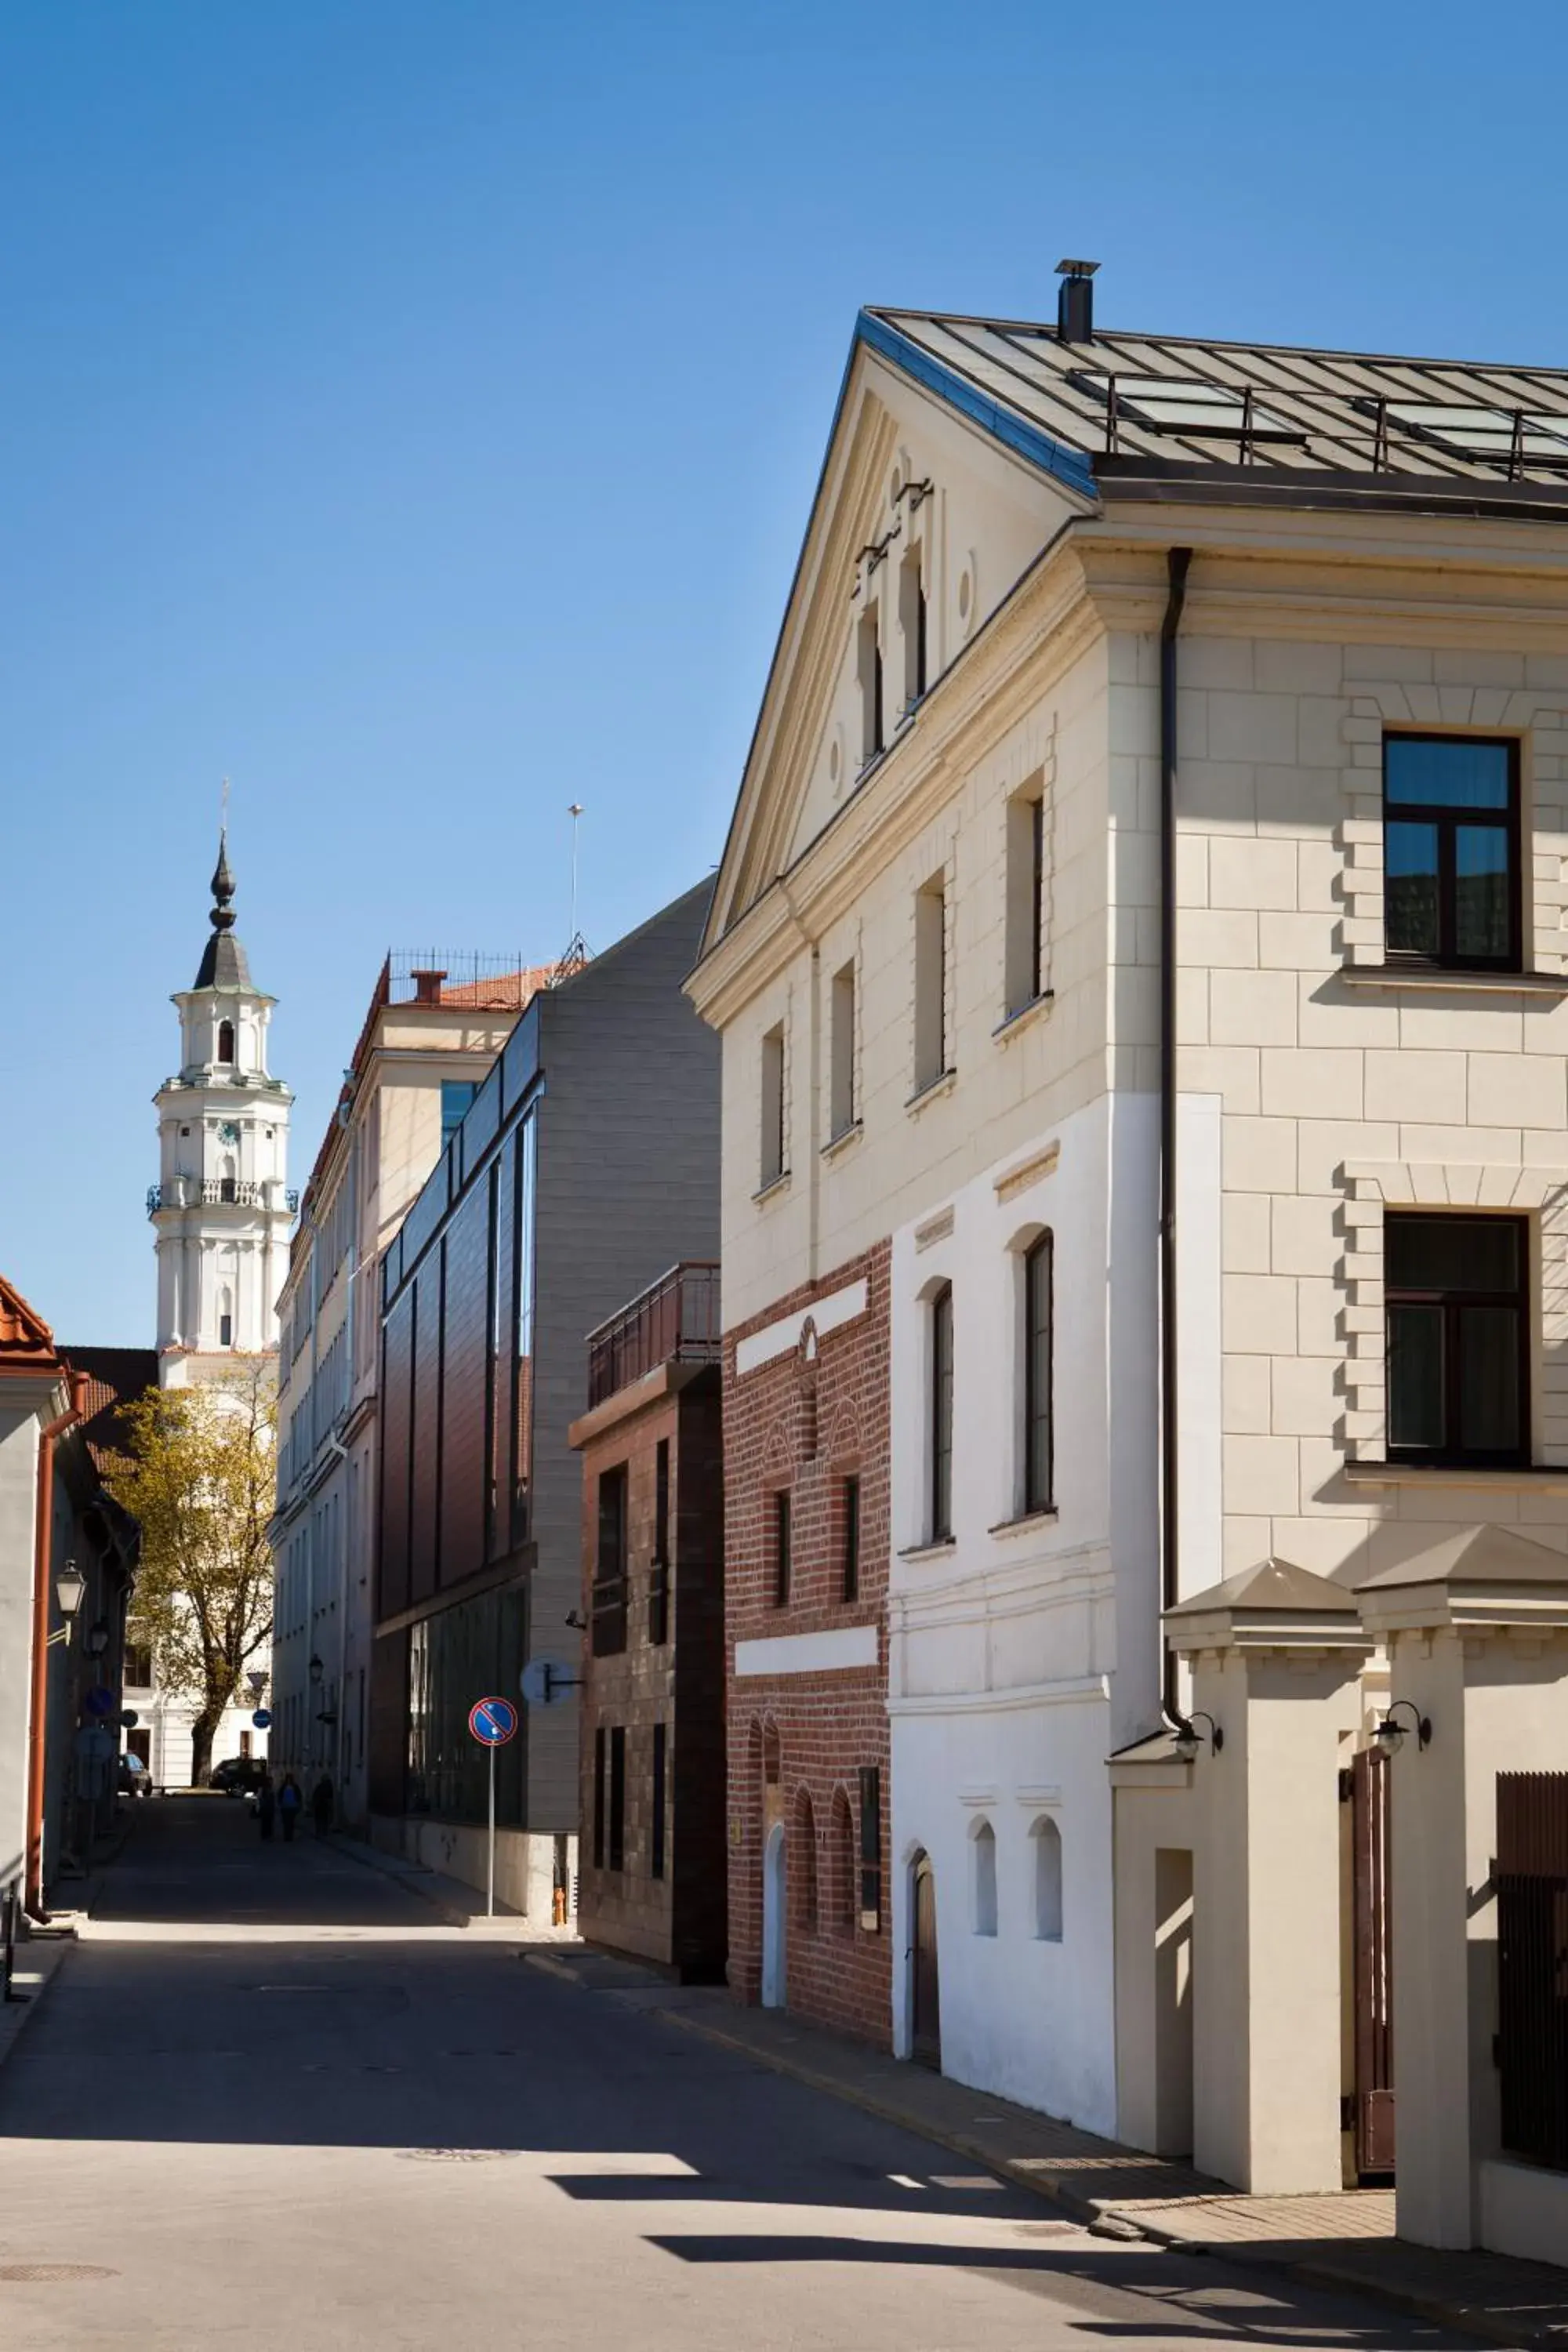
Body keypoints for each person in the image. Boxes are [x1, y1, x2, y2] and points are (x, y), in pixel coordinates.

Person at [277, 1773, 303, 1842]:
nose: (288, 1780)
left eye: (290, 1779)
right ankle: (286, 1836)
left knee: (291, 1822)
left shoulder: (295, 1787)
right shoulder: (283, 1787)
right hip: (285, 1807)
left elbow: (299, 1796)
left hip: (292, 1806)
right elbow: (279, 1795)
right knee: (286, 1822)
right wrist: (280, 1803)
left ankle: (290, 1836)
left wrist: (299, 1804)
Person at [311, 1773, 334, 1838]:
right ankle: (324, 1832)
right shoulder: (329, 1786)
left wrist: (314, 1803)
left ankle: (319, 1832)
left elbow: (316, 1795)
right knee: (324, 1819)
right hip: (324, 1805)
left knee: (319, 1819)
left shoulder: (321, 1786)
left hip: (320, 1805)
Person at [256, 1770, 276, 1842]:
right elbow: (260, 1798)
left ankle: (268, 1835)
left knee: (269, 1822)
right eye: (270, 1781)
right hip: (265, 1808)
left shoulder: (271, 1789)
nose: (271, 1782)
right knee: (265, 1822)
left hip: (270, 1808)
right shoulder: (264, 1789)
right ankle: (265, 1835)